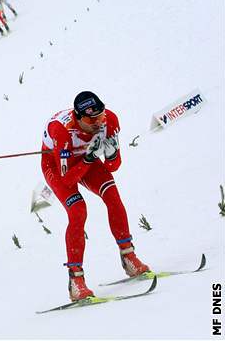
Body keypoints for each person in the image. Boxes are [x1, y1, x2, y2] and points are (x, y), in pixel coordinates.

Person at [41, 91, 150, 301]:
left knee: (113, 196)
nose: (99, 122)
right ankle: (76, 281)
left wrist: (112, 153)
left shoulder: (109, 120)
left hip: (85, 160)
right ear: (78, 117)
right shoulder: (61, 132)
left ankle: (129, 257)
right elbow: (67, 181)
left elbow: (113, 167)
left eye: (101, 115)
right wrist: (89, 158)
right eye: (92, 119)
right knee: (78, 210)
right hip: (58, 166)